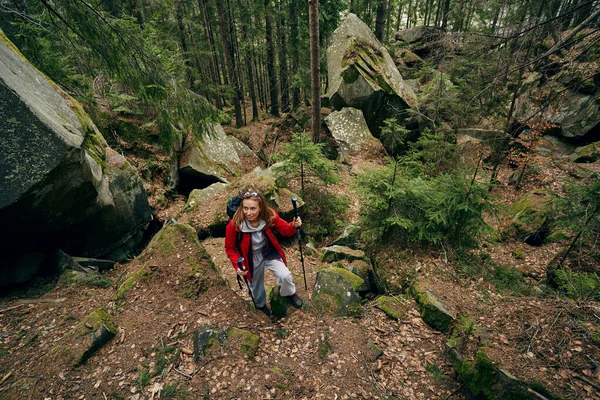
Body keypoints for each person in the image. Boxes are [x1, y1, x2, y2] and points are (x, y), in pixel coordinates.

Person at [225, 191, 303, 316]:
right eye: (245, 208)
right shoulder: (235, 224)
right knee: (255, 285)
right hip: (249, 256)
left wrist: (294, 226)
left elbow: (284, 229)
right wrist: (237, 265)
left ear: (260, 208)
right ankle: (261, 306)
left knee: (285, 275)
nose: (248, 212)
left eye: (253, 208)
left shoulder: (269, 216)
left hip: (268, 251)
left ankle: (289, 293)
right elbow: (230, 248)